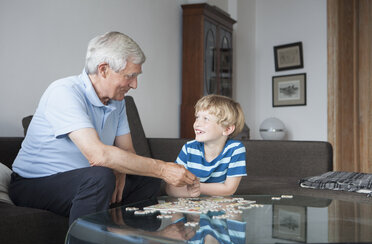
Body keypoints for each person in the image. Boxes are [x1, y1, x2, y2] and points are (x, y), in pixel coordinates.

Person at [9, 31, 196, 225]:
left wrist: (123, 169)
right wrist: (163, 169)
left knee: (146, 179)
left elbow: (127, 150)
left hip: (85, 181)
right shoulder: (64, 91)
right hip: (34, 184)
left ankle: (134, 239)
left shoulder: (118, 102)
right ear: (104, 69)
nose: (135, 84)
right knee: (100, 176)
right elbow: (98, 155)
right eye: (130, 76)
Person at [166, 94, 247, 197]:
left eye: (206, 119)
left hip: (221, 207)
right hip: (192, 207)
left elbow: (229, 189)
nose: (197, 123)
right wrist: (191, 194)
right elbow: (170, 187)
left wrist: (198, 188)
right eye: (197, 117)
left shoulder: (235, 149)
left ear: (227, 129)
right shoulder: (189, 148)